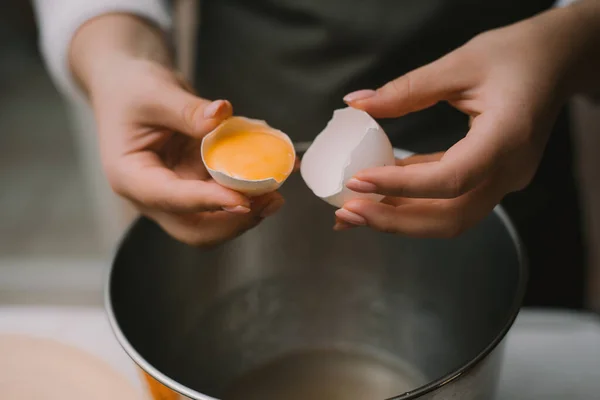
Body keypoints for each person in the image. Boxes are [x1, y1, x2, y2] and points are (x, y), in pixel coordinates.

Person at [33, 0, 599, 308]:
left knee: (499, 316)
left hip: (511, 112)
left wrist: (575, 38)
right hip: (262, 84)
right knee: (239, 303)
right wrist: (117, 58)